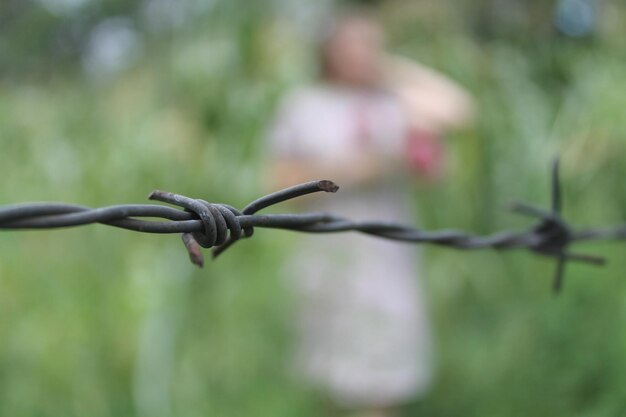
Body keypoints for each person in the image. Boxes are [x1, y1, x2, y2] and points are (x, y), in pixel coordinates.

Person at [266, 11, 473, 417]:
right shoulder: (305, 104)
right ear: (330, 50)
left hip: (388, 259)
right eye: (354, 44)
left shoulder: (394, 102)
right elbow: (277, 183)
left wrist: (389, 70)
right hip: (330, 260)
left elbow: (460, 109)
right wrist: (354, 168)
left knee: (382, 384)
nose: (363, 53)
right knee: (333, 378)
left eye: (371, 44)